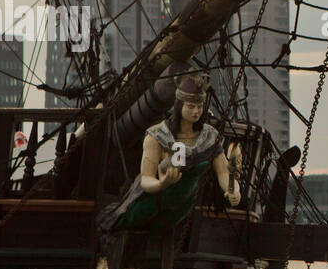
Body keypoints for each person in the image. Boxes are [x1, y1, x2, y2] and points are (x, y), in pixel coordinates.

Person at [99, 72, 239, 236]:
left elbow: (223, 172)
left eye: (200, 106)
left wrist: (233, 190)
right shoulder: (158, 135)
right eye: (191, 106)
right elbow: (146, 179)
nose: (196, 112)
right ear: (180, 105)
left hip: (180, 207)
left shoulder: (209, 137)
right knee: (137, 223)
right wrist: (162, 184)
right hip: (148, 202)